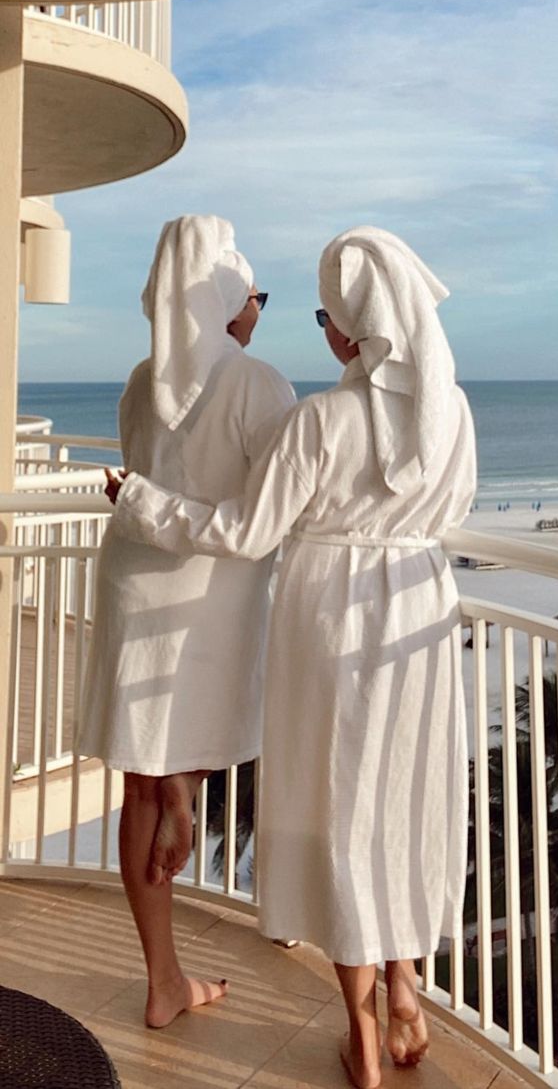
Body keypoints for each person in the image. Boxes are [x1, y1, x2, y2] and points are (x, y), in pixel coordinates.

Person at [107, 226, 477, 1088]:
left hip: (328, 619)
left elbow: (243, 529)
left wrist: (146, 507)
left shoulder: (319, 420)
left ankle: (357, 1022)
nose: (319, 329)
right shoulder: (450, 413)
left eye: (324, 314)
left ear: (350, 325)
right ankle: (406, 984)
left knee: (338, 797)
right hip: (418, 604)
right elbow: (451, 506)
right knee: (404, 789)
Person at [77, 215, 295, 1029]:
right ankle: (182, 791)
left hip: (135, 588)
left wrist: (144, 501)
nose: (258, 308)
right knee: (190, 743)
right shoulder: (258, 383)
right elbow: (267, 513)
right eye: (254, 293)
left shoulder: (141, 381)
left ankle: (163, 978)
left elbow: (143, 482)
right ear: (227, 296)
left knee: (140, 775)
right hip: (209, 602)